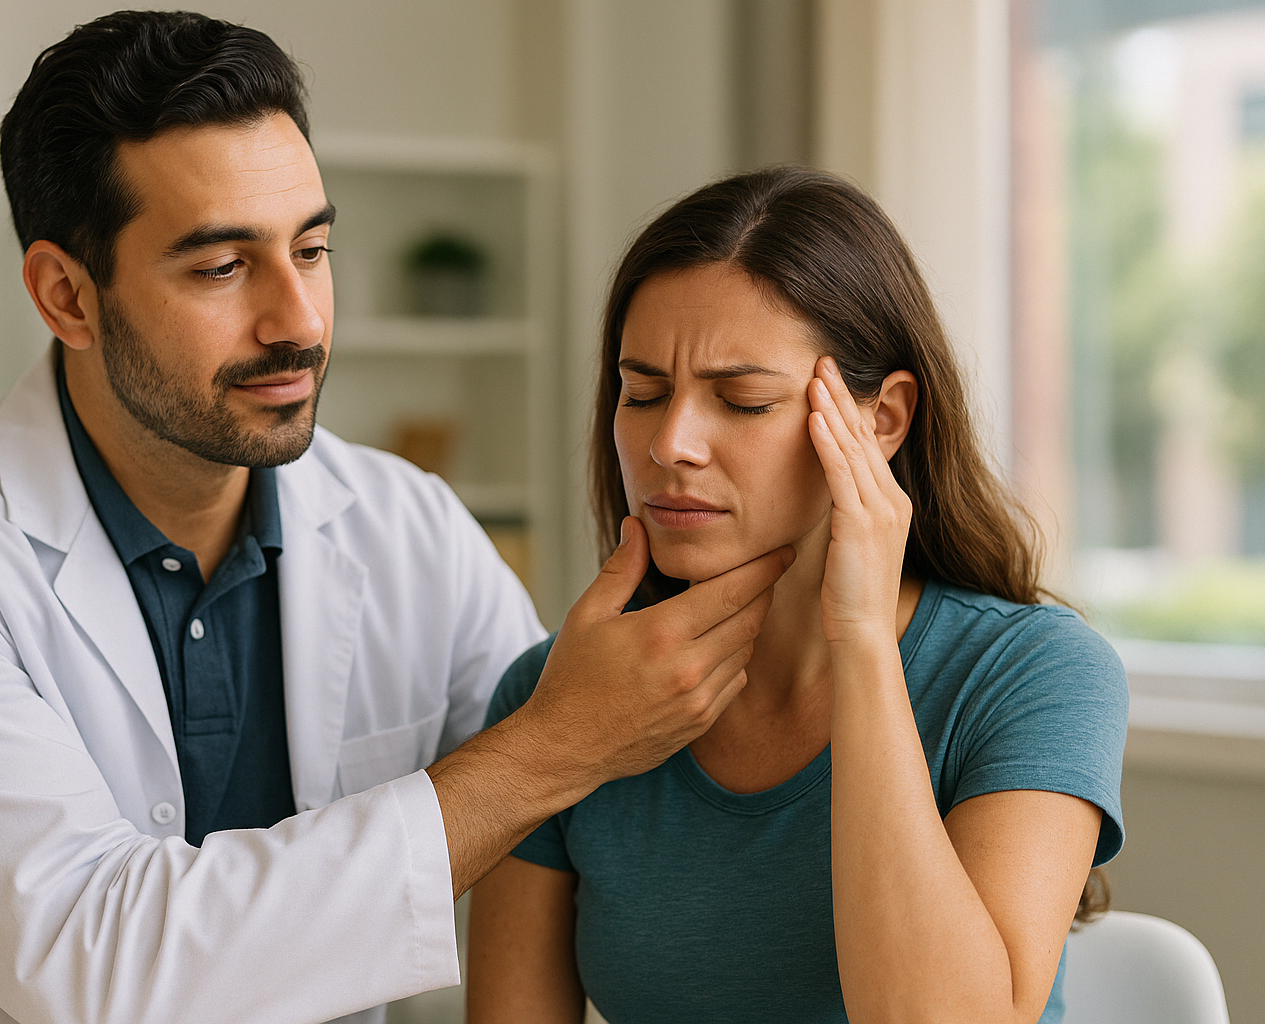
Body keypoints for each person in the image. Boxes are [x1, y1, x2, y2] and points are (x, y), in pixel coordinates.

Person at [0, 13, 795, 1024]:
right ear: (67, 296)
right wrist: (555, 744)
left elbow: (596, 827)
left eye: (311, 249)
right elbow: (97, 960)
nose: (299, 320)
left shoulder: (408, 528)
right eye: (222, 268)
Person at [467, 167, 1129, 1024]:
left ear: (882, 420)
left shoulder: (1035, 674)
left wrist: (862, 641)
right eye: (643, 393)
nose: (671, 444)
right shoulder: (556, 695)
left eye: (742, 401)